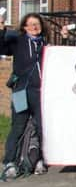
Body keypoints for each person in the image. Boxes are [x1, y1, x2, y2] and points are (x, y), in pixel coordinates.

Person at [0, 13, 48, 178]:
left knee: (42, 126)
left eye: (37, 24)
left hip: (40, 92)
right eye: (31, 24)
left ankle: (39, 159)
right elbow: (2, 47)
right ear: (24, 27)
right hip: (21, 91)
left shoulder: (45, 43)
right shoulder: (18, 41)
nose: (34, 27)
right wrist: (1, 29)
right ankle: (9, 161)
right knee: (18, 125)